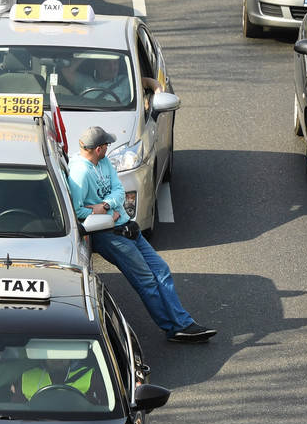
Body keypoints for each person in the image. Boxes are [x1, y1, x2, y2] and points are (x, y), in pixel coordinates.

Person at [67, 126, 217, 343]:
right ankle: (174, 327)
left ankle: (183, 323)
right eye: (106, 145)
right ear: (98, 149)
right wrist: (110, 211)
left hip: (127, 227)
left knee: (161, 269)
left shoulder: (104, 162)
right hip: (107, 234)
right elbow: (77, 210)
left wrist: (106, 204)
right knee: (146, 279)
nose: (109, 148)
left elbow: (119, 191)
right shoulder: (80, 174)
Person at [18, 356, 99, 403]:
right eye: (51, 355)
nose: (57, 359)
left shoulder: (90, 375)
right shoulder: (28, 376)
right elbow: (17, 411)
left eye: (62, 354)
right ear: (43, 355)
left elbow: (100, 409)